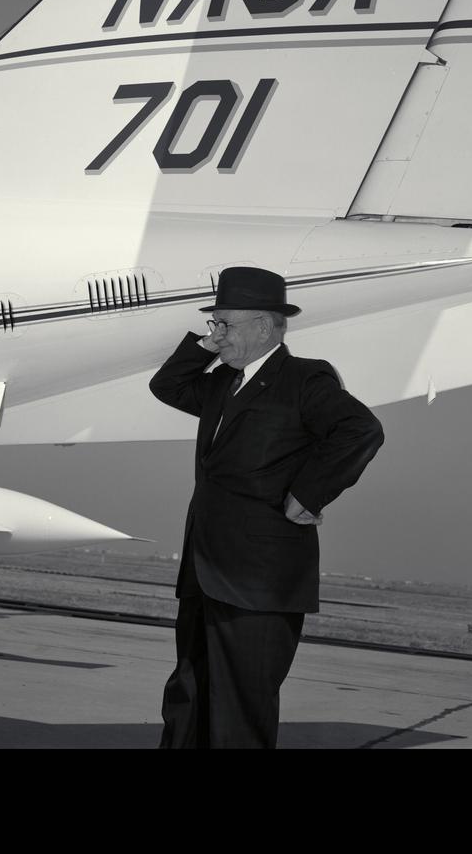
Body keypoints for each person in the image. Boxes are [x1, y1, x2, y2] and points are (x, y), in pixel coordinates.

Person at [150, 265, 384, 749]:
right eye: (214, 323)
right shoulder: (221, 384)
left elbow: (361, 429)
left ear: (263, 326)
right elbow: (167, 386)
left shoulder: (304, 379)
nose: (218, 333)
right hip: (205, 570)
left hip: (260, 580)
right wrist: (206, 345)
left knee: (240, 711)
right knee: (188, 696)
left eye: (225, 324)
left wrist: (308, 494)